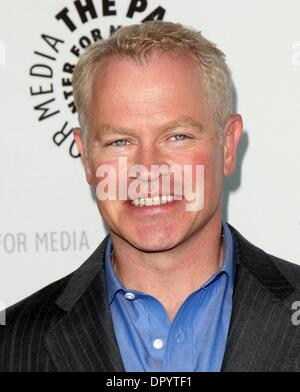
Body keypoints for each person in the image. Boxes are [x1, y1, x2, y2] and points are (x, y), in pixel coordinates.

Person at [1, 20, 300, 373]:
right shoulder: (12, 345)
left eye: (177, 137)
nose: (148, 169)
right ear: (87, 157)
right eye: (119, 142)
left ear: (228, 146)